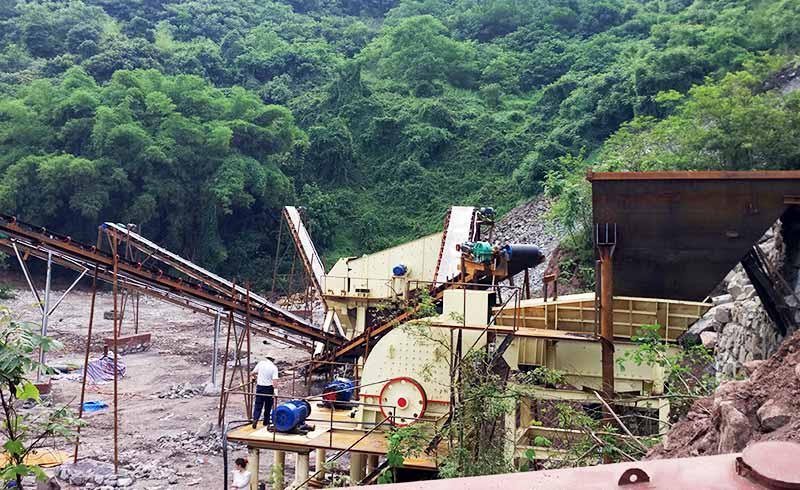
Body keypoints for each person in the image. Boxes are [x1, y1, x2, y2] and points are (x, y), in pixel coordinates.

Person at [251, 355, 278, 429]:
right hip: (269, 389)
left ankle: (255, 419)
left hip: (260, 387)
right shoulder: (274, 368)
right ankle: (266, 421)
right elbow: (275, 381)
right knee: (268, 405)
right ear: (273, 360)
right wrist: (276, 391)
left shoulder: (261, 363)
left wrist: (256, 378)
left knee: (258, 405)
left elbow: (252, 373)